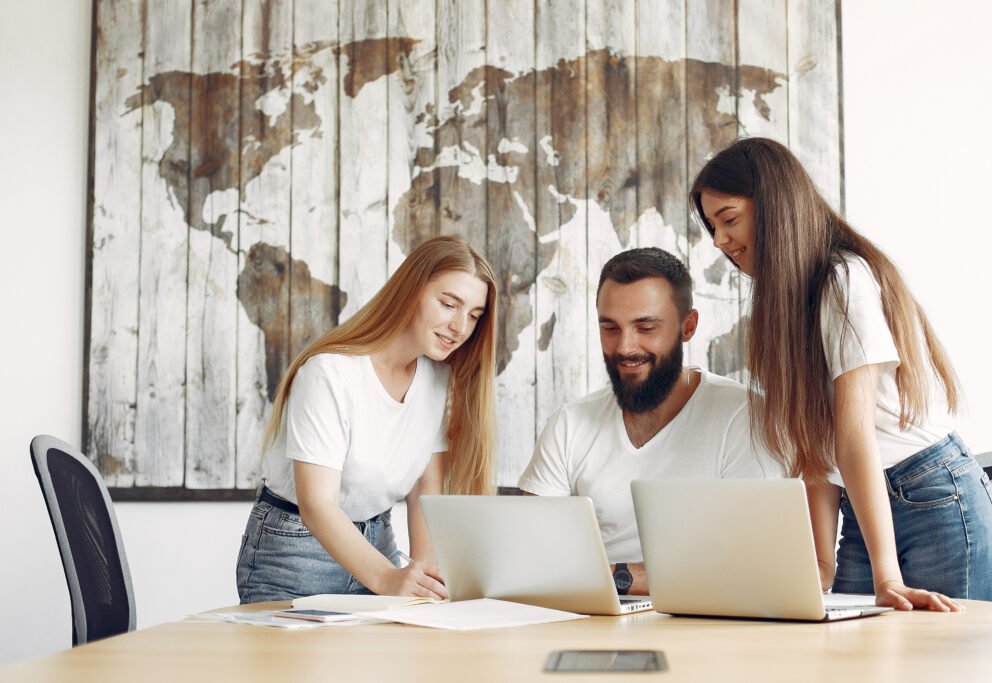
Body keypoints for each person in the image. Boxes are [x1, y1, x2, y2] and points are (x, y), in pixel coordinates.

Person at [689, 137, 992, 611]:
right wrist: (820, 563)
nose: (719, 242)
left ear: (776, 207)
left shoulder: (845, 278)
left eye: (729, 219)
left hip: (936, 499)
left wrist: (887, 577)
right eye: (712, 226)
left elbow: (853, 434)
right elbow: (815, 443)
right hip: (866, 506)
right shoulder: (786, 307)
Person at [236, 235, 497, 603]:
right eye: (448, 304)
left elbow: (425, 489)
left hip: (378, 540)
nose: (460, 327)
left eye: (473, 315)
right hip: (297, 549)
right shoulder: (330, 372)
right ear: (411, 291)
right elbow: (318, 504)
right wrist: (389, 580)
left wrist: (426, 582)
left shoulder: (438, 378)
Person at [518, 247, 782, 596]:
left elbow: (759, 561)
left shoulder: (745, 417)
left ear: (688, 327)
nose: (626, 347)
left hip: (710, 624)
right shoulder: (571, 423)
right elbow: (528, 554)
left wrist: (618, 577)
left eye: (646, 327)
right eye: (610, 328)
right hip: (592, 625)